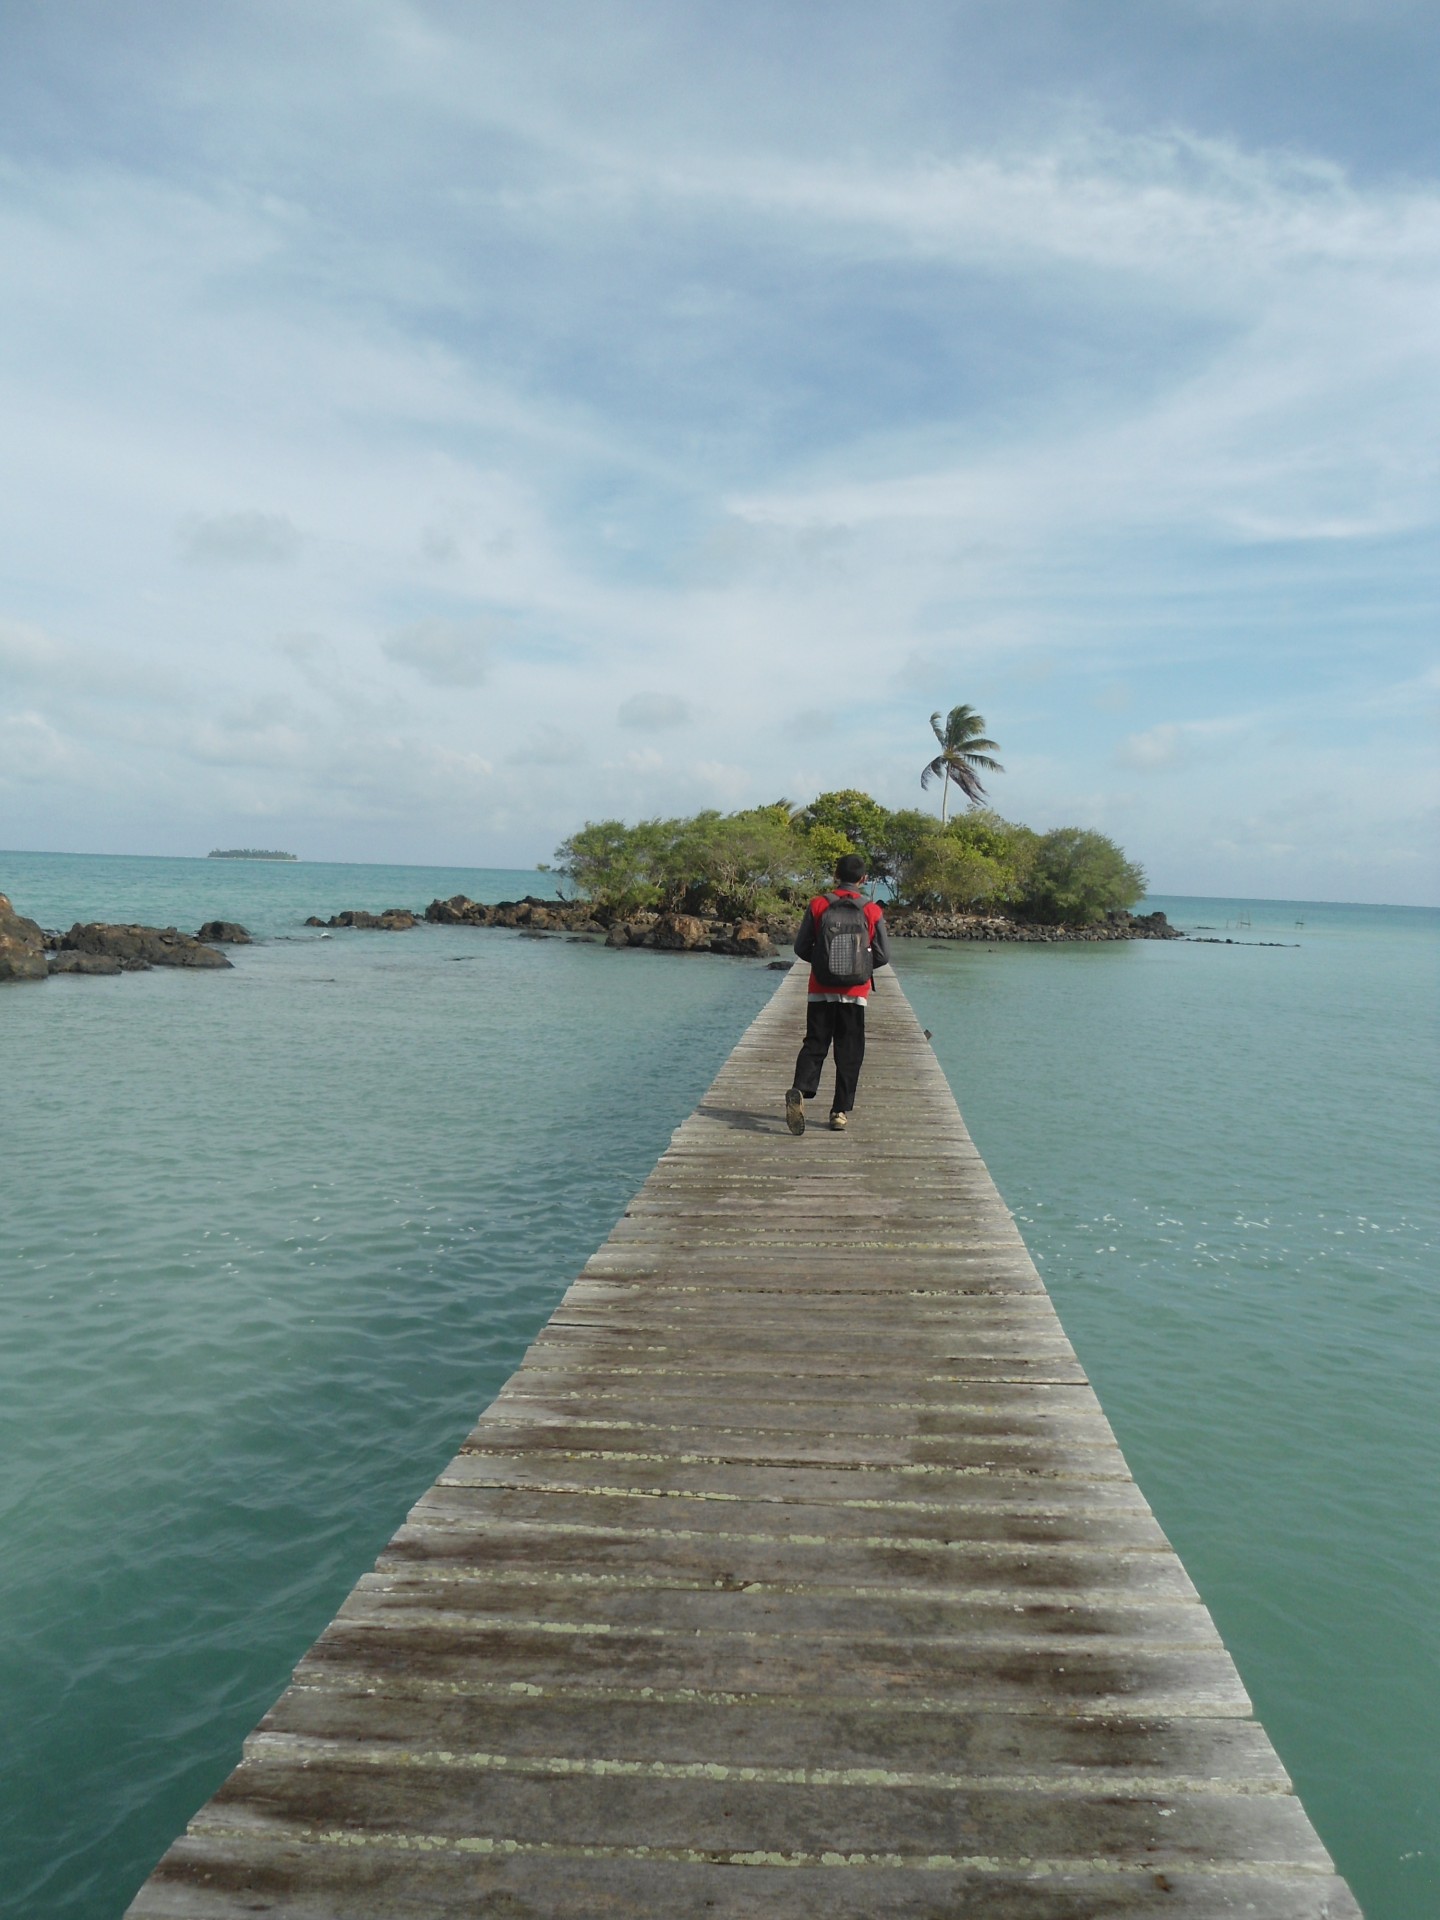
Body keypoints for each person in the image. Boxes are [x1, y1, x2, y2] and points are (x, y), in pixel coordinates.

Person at [785, 852, 890, 1134]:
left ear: (835, 875)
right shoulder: (871, 910)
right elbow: (883, 955)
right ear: (864, 879)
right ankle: (839, 1112)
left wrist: (823, 964)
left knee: (815, 1044)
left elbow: (800, 948)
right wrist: (861, 969)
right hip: (855, 993)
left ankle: (800, 1090)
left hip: (820, 989)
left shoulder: (819, 904)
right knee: (849, 1051)